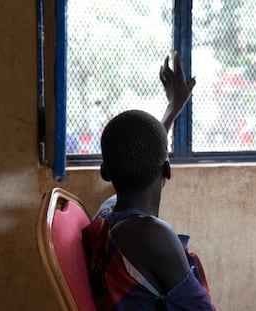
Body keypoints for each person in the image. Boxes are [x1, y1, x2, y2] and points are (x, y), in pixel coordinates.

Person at [82, 52, 216, 311]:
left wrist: (172, 108)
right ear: (167, 170)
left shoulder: (106, 214)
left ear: (105, 173)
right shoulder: (155, 236)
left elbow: (142, 152)